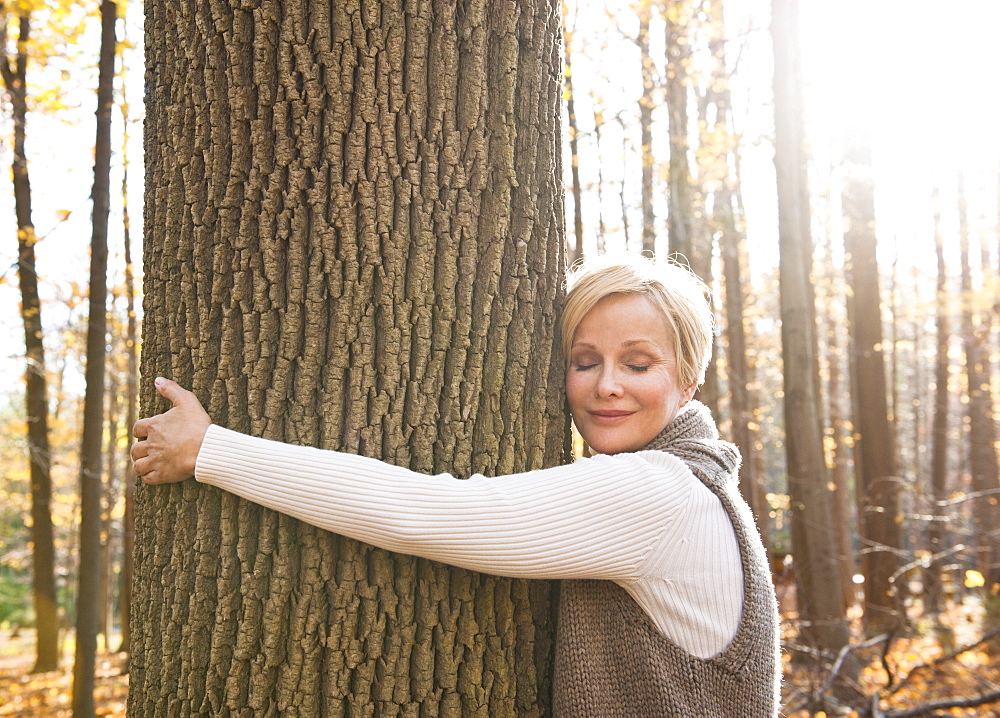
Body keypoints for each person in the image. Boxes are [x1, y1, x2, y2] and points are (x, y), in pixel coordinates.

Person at [131, 252, 780, 716]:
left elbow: (428, 511)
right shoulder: (701, 486)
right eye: (585, 362)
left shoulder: (661, 496)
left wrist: (211, 451)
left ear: (689, 378)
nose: (606, 384)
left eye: (636, 363)